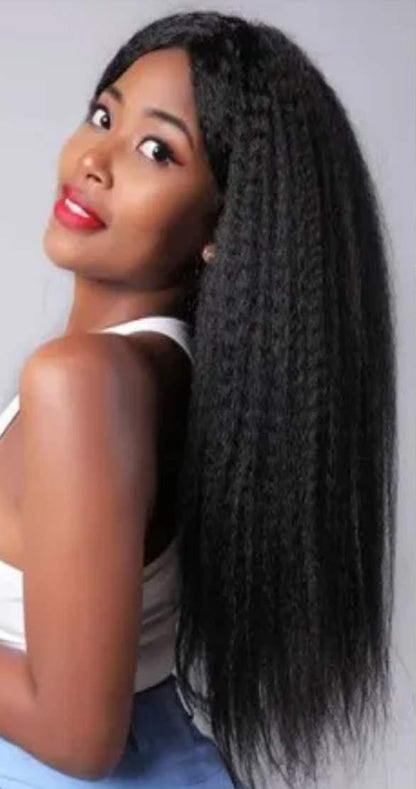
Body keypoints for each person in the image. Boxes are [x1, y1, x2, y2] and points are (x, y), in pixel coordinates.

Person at [0, 10, 397, 789]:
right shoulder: (160, 375)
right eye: (103, 116)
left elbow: (79, 735)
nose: (95, 160)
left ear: (221, 220)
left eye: (157, 149)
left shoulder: (85, 382)